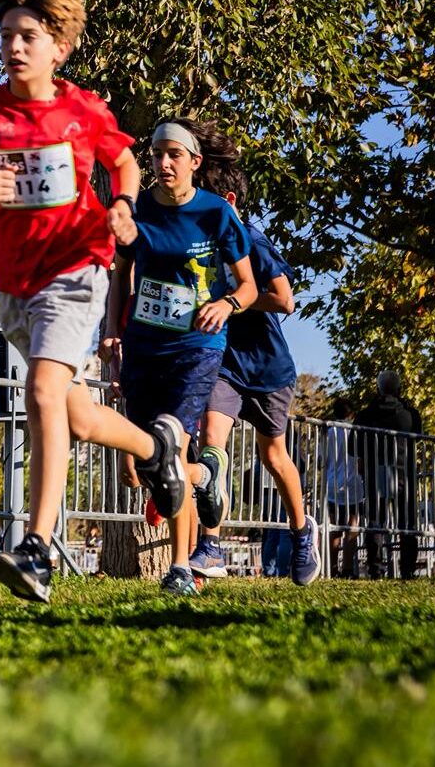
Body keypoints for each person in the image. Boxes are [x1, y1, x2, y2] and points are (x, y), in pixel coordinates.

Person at [0, 0, 184, 603]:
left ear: (58, 47)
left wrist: (123, 205)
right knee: (67, 410)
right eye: (7, 36)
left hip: (78, 265)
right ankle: (156, 447)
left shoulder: (83, 111)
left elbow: (123, 161)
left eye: (29, 37)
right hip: (16, 283)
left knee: (40, 388)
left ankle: (38, 548)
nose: (14, 47)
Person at [104, 118, 256, 595]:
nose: (163, 163)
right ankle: (207, 475)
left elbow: (249, 286)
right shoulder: (140, 208)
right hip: (145, 345)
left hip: (197, 348)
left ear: (195, 162)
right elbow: (121, 276)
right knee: (144, 470)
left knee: (172, 442)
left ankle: (180, 567)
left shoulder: (217, 214)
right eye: (155, 155)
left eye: (173, 155)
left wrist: (226, 303)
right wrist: (111, 333)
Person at [182, 157, 320, 586]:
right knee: (212, 447)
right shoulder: (199, 248)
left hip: (269, 370)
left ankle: (302, 532)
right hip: (224, 366)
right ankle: (210, 546)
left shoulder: (253, 242)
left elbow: (285, 300)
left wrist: (233, 300)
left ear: (228, 201)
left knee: (274, 457)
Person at [356, 369, 423, 579]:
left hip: (375, 472)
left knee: (375, 520)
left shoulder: (365, 415)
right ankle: (408, 569)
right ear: (399, 389)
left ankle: (376, 568)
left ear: (378, 388)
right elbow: (418, 437)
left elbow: (353, 446)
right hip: (404, 473)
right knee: (407, 521)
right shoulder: (410, 415)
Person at [322, 398, 363, 577]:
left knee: (334, 529)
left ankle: (331, 567)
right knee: (352, 526)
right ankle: (347, 567)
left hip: (332, 485)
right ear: (351, 413)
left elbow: (320, 461)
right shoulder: (356, 432)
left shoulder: (329, 432)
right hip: (353, 485)